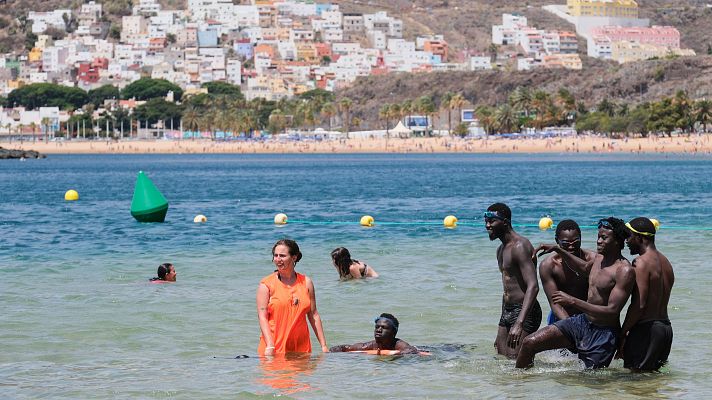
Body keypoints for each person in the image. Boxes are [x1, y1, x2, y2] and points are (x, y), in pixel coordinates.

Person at [516, 217, 635, 369]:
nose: (598, 241)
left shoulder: (624, 270)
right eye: (598, 237)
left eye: (604, 238)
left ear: (617, 240)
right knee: (529, 343)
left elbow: (612, 311)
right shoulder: (599, 258)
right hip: (581, 322)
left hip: (603, 333)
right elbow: (585, 269)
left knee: (588, 380)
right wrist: (558, 249)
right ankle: (518, 387)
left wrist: (573, 301)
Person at [484, 203, 541, 359]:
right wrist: (501, 325)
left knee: (516, 364)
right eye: (486, 221)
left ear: (505, 222)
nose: (487, 225)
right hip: (508, 310)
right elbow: (506, 290)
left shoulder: (520, 246)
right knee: (501, 358)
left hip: (525, 311)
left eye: (491, 221)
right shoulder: (501, 250)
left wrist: (519, 323)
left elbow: (533, 286)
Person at [617, 217, 674, 372]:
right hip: (665, 330)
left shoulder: (641, 262)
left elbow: (639, 304)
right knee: (650, 382)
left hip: (646, 330)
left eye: (629, 236)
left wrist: (622, 333)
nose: (626, 241)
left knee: (635, 382)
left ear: (640, 238)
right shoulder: (666, 262)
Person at [257, 239, 329, 356]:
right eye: (275, 255)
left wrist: (324, 346)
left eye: (282, 256)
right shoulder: (266, 285)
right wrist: (270, 345)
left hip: (301, 348)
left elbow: (313, 314)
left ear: (294, 258)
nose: (278, 259)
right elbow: (262, 317)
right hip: (274, 348)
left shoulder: (306, 282)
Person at [534, 220, 596, 325]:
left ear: (581, 238)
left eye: (576, 242)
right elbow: (555, 304)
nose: (571, 247)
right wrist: (572, 327)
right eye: (566, 243)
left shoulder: (592, 259)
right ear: (557, 241)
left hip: (588, 317)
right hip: (561, 317)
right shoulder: (549, 266)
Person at [329, 313, 419, 355]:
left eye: (384, 328)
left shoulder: (398, 345)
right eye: (377, 327)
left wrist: (392, 354)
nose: (378, 330)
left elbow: (411, 350)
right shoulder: (369, 346)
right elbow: (345, 348)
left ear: (393, 333)